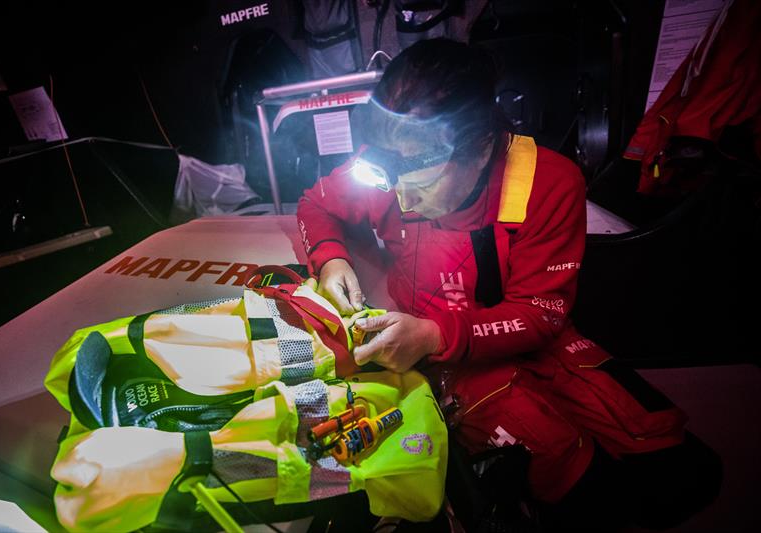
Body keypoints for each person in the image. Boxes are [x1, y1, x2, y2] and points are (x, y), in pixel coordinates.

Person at [297, 38, 721, 531]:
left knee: (683, 471)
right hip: (445, 358)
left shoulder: (550, 182)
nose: (401, 199)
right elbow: (316, 203)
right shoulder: (390, 161)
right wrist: (330, 259)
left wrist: (433, 335)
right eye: (388, 176)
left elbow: (541, 316)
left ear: (480, 150)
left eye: (422, 181)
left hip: (526, 334)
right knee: (569, 471)